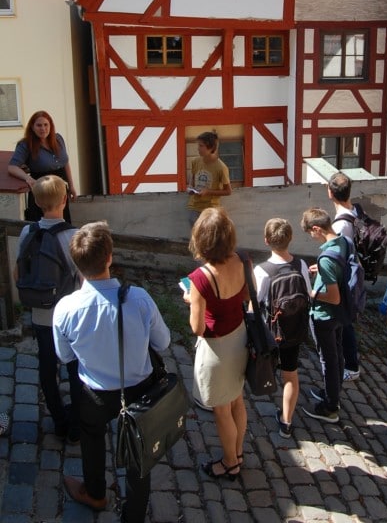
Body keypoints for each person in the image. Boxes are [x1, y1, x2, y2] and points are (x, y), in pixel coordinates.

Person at [53, 221, 171, 522]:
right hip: (140, 390)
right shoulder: (139, 298)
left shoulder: (65, 309)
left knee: (91, 437)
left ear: (76, 262)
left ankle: (95, 492)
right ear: (109, 257)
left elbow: (65, 355)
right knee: (137, 455)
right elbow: (164, 341)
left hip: (94, 393)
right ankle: (133, 515)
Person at [16, 175, 81, 442]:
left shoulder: (26, 232)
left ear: (36, 202)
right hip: (71, 316)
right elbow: (84, 279)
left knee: (46, 366)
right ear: (64, 200)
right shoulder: (74, 236)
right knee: (75, 369)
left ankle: (58, 419)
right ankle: (77, 425)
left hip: (41, 315)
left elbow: (18, 271)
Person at [186, 207, 249, 479]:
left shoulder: (199, 279)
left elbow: (197, 328)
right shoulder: (243, 259)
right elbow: (245, 296)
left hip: (218, 347)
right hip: (240, 337)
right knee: (237, 400)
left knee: (221, 410)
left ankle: (229, 462)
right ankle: (238, 452)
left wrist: (192, 300)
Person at [253, 217, 312, 438]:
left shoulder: (263, 270)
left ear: (266, 240)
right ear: (291, 239)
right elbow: (306, 294)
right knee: (291, 376)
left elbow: (255, 303)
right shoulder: (301, 265)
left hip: (269, 333)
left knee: (261, 365)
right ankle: (286, 421)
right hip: (292, 330)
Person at [300, 207, 347, 424]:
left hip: (325, 315)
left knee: (327, 359)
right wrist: (321, 271)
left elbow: (333, 296)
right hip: (340, 314)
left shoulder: (326, 259)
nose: (311, 237)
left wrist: (311, 293)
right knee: (337, 354)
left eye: (311, 232)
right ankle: (333, 391)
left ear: (317, 229)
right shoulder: (344, 242)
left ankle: (330, 407)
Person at [8, 110, 76, 223]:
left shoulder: (58, 139)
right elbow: (12, 167)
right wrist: (27, 178)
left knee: (62, 224)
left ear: (51, 125)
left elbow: (65, 163)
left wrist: (72, 186)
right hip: (42, 190)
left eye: (46, 125)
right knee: (42, 226)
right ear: (32, 127)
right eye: (39, 125)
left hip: (60, 190)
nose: (43, 128)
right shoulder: (25, 144)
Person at [327, 171, 361, 382]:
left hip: (344, 277)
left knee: (344, 321)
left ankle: (351, 365)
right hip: (355, 271)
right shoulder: (355, 211)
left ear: (330, 193)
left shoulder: (340, 225)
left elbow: (338, 255)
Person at [187, 131, 232, 227]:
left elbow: (228, 191)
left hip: (210, 210)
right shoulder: (195, 161)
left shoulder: (221, 167)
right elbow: (192, 178)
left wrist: (208, 192)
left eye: (201, 146)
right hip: (194, 207)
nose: (198, 148)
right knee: (197, 238)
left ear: (211, 147)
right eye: (198, 145)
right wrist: (190, 188)